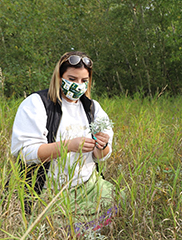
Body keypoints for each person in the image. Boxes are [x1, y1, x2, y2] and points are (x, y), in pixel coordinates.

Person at [11, 51, 116, 235]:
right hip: (50, 191)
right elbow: (24, 153)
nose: (78, 85)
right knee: (61, 232)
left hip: (87, 186)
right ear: (59, 76)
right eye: (72, 78)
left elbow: (101, 156)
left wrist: (102, 145)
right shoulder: (36, 104)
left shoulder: (92, 108)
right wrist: (68, 146)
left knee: (113, 210)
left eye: (84, 80)